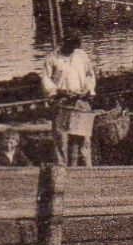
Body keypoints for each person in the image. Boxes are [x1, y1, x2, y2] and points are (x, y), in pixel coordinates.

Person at [41, 34, 97, 166]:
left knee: (84, 141)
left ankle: (85, 171)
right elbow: (46, 81)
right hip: (62, 104)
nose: (73, 49)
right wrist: (59, 91)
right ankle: (62, 172)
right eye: (71, 46)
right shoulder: (52, 59)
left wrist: (88, 89)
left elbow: (90, 75)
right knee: (61, 141)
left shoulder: (81, 56)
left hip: (81, 102)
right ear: (64, 43)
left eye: (75, 47)